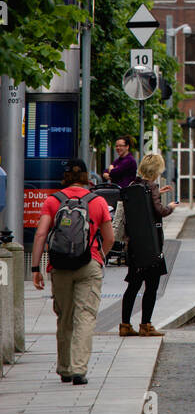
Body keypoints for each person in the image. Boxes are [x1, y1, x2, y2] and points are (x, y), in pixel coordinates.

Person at [30, 159, 114, 385]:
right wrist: (99, 258)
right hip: (89, 265)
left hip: (59, 266)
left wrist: (36, 267)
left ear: (65, 177)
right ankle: (79, 369)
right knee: (85, 316)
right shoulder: (97, 202)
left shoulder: (53, 201)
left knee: (64, 317)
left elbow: (40, 235)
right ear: (87, 177)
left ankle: (65, 368)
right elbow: (110, 238)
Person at [119, 153, 176, 338]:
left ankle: (125, 325)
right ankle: (146, 325)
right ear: (156, 170)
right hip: (152, 245)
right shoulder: (151, 186)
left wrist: (160, 193)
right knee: (151, 286)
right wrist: (172, 207)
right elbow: (159, 210)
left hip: (135, 245)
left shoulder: (133, 186)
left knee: (133, 286)